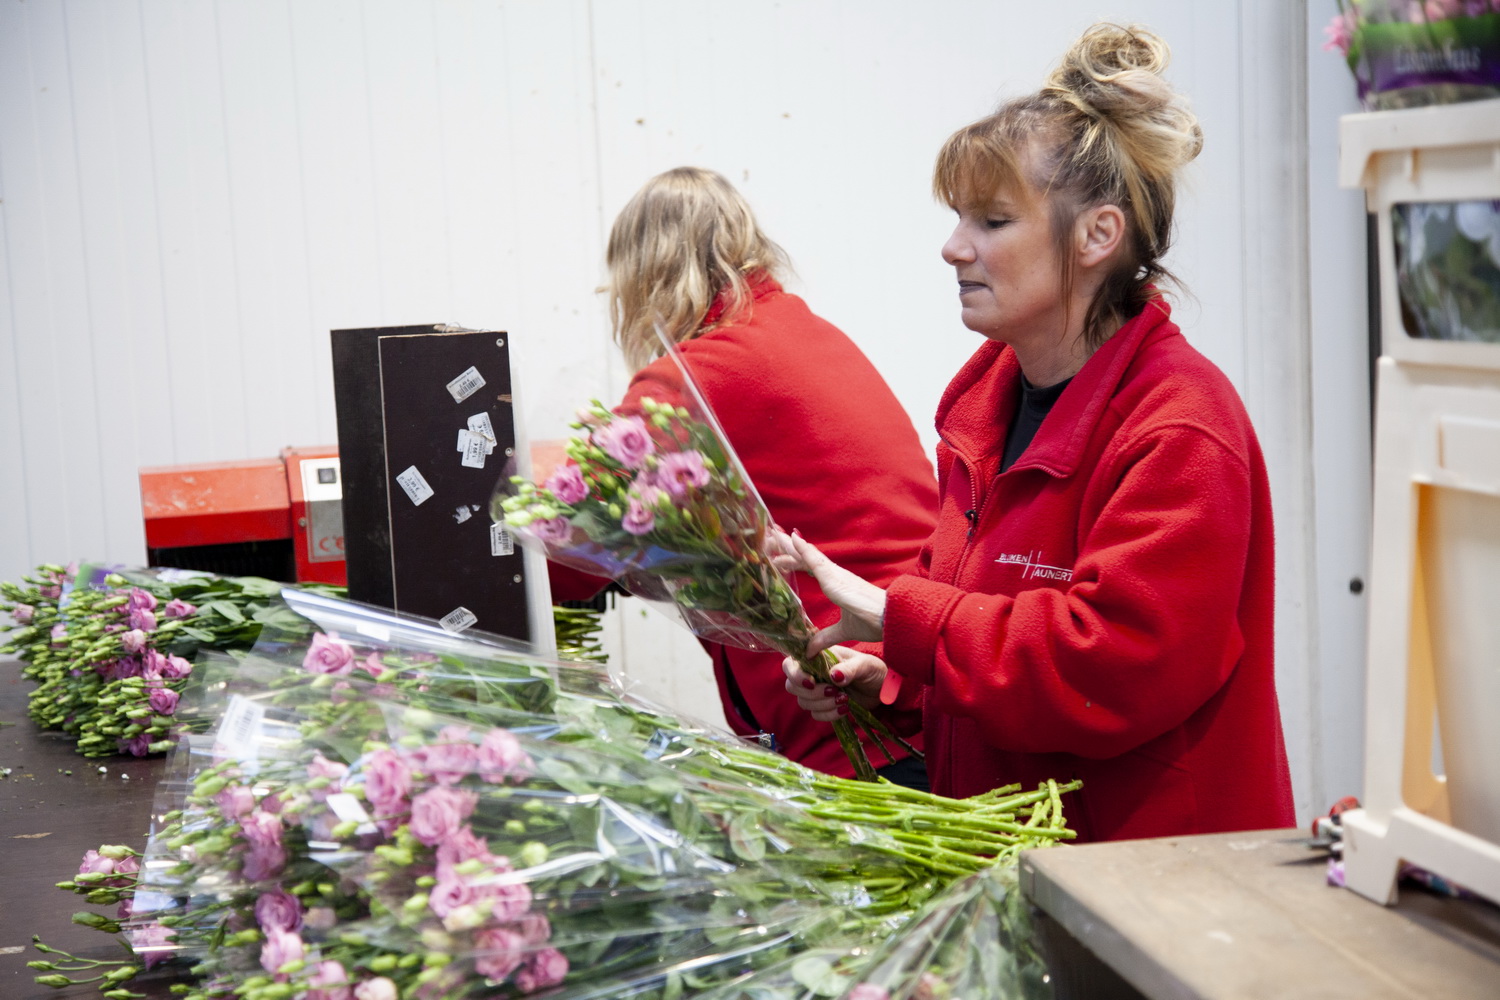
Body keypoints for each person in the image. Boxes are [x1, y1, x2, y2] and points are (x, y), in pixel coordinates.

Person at [776, 25, 1295, 840]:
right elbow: (977, 619)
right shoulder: (986, 406)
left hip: (1144, 877)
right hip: (1021, 857)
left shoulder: (1181, 427)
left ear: (1097, 236)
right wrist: (891, 680)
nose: (953, 248)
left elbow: (1109, 667)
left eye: (992, 221)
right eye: (958, 218)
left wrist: (900, 618)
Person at [548, 166, 939, 786]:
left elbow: (571, 548)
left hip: (843, 704)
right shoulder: (809, 333)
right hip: (918, 669)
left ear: (642, 275)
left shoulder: (700, 372)